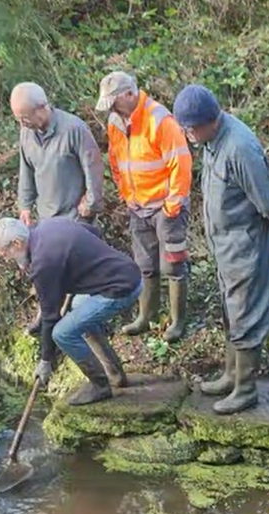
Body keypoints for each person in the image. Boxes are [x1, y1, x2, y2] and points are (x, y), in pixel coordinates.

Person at [173, 84, 269, 415]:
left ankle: (246, 389)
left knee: (245, 313)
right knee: (230, 309)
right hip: (224, 245)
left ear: (211, 120)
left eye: (192, 128)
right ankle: (230, 374)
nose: (188, 134)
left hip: (245, 244)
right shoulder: (210, 140)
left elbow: (268, 204)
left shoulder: (239, 147)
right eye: (185, 127)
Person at [0, 216, 141, 405]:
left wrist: (46, 361)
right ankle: (115, 375)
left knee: (63, 333)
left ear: (17, 243)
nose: (7, 259)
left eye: (5, 254)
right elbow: (95, 232)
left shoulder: (43, 262)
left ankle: (100, 387)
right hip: (128, 272)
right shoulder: (50, 224)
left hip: (120, 289)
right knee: (78, 307)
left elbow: (50, 317)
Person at [97, 70, 193, 342]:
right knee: (144, 265)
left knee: (172, 265)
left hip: (165, 206)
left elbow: (181, 163)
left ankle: (177, 321)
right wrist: (125, 192)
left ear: (129, 94)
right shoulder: (115, 122)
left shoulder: (159, 119)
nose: (112, 108)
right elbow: (115, 160)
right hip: (137, 206)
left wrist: (172, 206)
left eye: (114, 101)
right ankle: (146, 315)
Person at [10, 81, 105, 337]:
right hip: (46, 219)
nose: (22, 124)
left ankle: (79, 321)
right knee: (45, 269)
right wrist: (25, 205)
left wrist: (91, 205)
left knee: (76, 271)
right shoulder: (26, 134)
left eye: (25, 118)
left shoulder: (74, 129)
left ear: (42, 108)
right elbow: (26, 172)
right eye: (18, 119)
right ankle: (46, 312)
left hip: (75, 217)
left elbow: (93, 168)